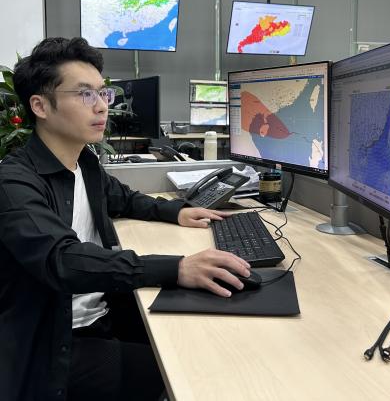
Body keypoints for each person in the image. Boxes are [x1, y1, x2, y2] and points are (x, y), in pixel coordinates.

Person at [0, 37, 251, 401]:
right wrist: (177, 267)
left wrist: (176, 210)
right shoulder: (14, 182)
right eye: (85, 95)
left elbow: (124, 198)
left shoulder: (84, 162)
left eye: (104, 94)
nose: (102, 106)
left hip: (103, 313)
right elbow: (62, 259)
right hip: (55, 343)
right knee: (192, 369)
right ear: (40, 105)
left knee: (209, 331)